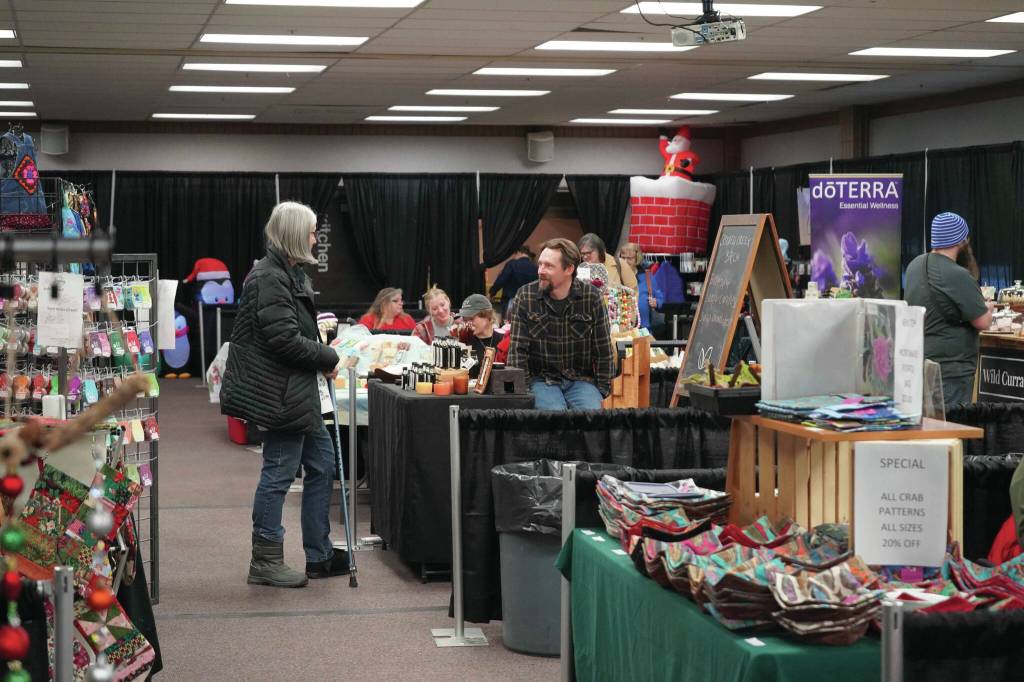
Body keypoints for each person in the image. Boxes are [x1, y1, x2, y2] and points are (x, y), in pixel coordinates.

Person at [221, 201, 349, 588]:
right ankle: (265, 560)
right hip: (279, 394)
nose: (315, 238)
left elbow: (293, 333)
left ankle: (319, 554)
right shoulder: (268, 278)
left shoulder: (288, 274)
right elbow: (284, 340)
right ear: (295, 234)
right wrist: (327, 356)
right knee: (278, 473)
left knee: (323, 463)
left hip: (295, 392)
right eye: (310, 232)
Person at [507, 238, 613, 410]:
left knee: (594, 418)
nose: (540, 270)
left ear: (569, 269)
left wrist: (602, 390)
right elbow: (517, 352)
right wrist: (523, 391)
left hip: (581, 381)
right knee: (554, 418)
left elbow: (603, 350)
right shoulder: (525, 296)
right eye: (540, 264)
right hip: (541, 381)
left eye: (548, 266)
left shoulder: (591, 297)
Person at [904, 212, 994, 409]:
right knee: (949, 431)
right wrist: (988, 308)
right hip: (951, 370)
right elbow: (982, 322)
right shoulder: (958, 274)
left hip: (919, 363)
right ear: (961, 241)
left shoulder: (914, 266)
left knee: (925, 432)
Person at [454, 294, 509, 378]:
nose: (468, 323)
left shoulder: (504, 341)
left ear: (487, 316)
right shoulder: (466, 343)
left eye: (471, 319)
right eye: (465, 320)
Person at [619, 243, 664, 333]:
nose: (625, 261)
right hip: (622, 330)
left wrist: (656, 303)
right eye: (623, 258)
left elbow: (660, 298)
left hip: (644, 329)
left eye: (629, 258)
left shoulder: (647, 276)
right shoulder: (617, 276)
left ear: (637, 259)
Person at [489, 245, 537, 316]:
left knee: (507, 325)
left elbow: (502, 280)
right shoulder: (535, 267)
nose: (515, 257)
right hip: (529, 303)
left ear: (518, 252)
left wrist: (492, 292)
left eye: (515, 255)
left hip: (511, 302)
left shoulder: (512, 264)